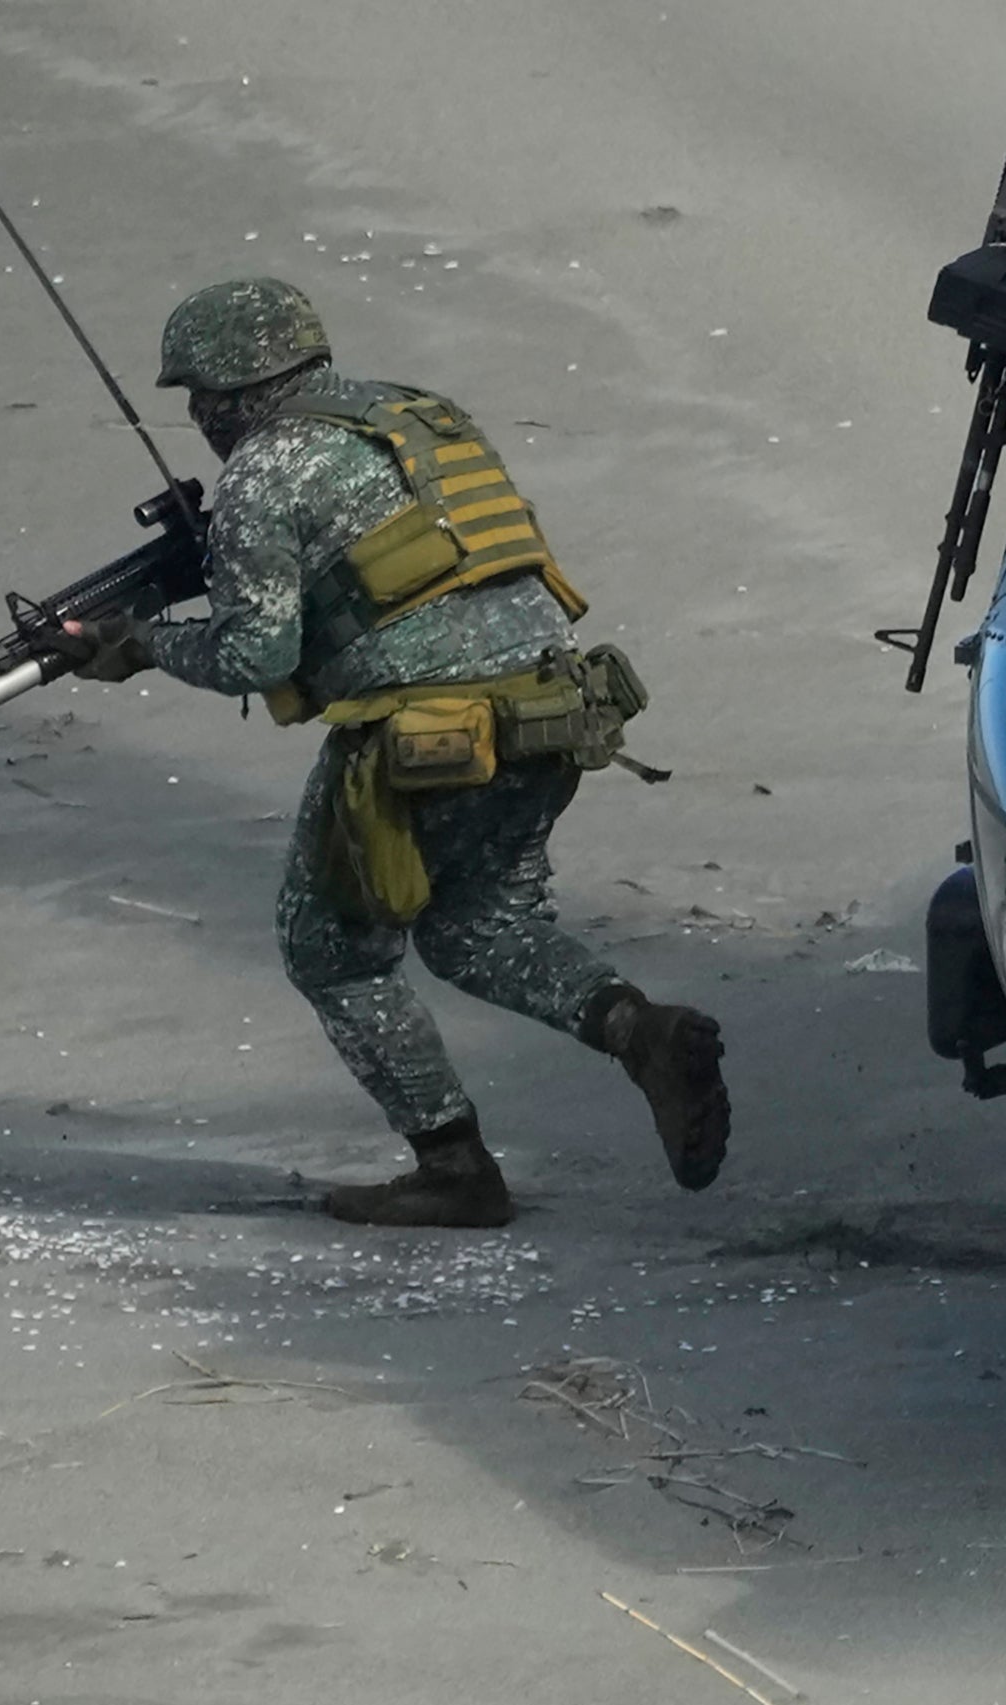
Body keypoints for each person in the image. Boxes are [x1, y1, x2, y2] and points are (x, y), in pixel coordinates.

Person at [63, 275, 729, 1228]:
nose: (202, 417)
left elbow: (258, 651)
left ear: (232, 389)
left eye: (200, 396)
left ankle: (452, 1164)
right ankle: (643, 1033)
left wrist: (140, 644)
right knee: (475, 925)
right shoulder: (419, 415)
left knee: (330, 949)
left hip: (427, 736)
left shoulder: (265, 470)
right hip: (556, 710)